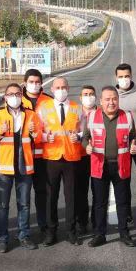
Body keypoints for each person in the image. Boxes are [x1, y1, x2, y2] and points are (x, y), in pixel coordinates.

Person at [0, 83, 42, 252]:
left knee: (24, 204)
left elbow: (39, 138)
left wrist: (35, 133)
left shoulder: (31, 114)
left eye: (18, 94)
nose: (15, 97)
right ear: (5, 97)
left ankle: (24, 235)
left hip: (24, 166)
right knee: (2, 205)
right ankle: (2, 239)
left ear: (22, 96)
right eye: (11, 94)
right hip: (4, 167)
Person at [83, 86, 136, 247]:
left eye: (114, 98)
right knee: (99, 202)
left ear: (118, 100)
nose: (111, 102)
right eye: (107, 99)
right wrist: (86, 145)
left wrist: (134, 145)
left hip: (121, 165)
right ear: (100, 101)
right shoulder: (92, 116)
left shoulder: (127, 116)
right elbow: (85, 138)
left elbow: (133, 136)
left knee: (122, 201)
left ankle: (124, 233)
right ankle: (99, 234)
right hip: (99, 165)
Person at [36, 76, 84, 246]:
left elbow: (83, 131)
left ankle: (71, 231)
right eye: (57, 87)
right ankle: (51, 232)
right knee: (51, 196)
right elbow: (36, 131)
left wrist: (77, 136)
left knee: (70, 196)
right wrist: (44, 136)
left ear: (68, 88)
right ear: (52, 90)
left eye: (64, 87)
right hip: (51, 158)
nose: (61, 90)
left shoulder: (77, 108)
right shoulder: (43, 107)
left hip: (71, 157)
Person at [115, 63, 136, 229]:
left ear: (131, 75)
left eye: (126, 76)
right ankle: (126, 214)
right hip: (122, 146)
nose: (124, 79)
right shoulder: (113, 96)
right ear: (116, 78)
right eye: (121, 77)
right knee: (123, 181)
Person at [21, 68, 53, 240]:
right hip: (23, 156)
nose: (34, 85)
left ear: (41, 83)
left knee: (43, 193)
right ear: (25, 83)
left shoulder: (48, 100)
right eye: (31, 82)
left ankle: (45, 225)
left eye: (37, 82)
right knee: (23, 196)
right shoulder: (17, 100)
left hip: (43, 156)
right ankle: (23, 230)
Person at [75, 85, 98, 234]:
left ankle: (96, 221)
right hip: (80, 156)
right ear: (80, 97)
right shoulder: (75, 113)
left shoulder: (101, 112)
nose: (88, 97)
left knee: (97, 191)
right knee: (81, 191)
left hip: (97, 156)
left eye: (91, 94)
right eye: (85, 94)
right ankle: (82, 221)